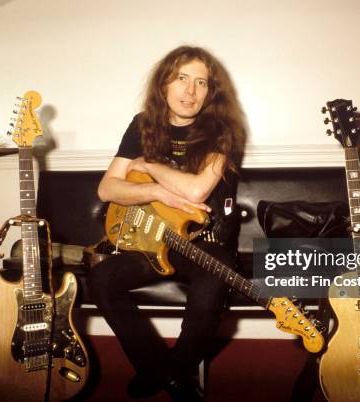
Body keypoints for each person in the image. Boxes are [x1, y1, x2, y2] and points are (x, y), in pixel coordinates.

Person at [88, 45, 247, 402]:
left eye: (201, 83)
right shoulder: (143, 124)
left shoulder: (222, 130)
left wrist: (148, 167)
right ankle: (158, 368)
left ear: (211, 92)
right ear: (164, 84)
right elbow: (107, 188)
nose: (190, 91)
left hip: (201, 242)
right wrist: (159, 192)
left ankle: (175, 371)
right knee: (101, 279)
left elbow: (196, 189)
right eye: (182, 79)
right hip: (150, 237)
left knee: (216, 274)